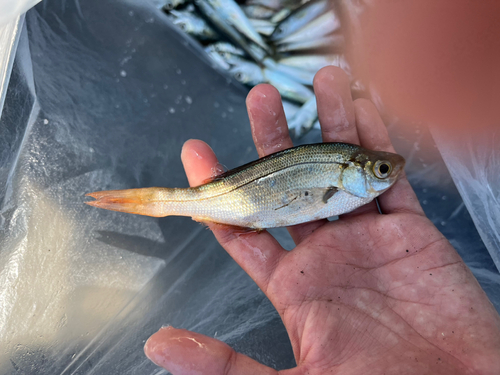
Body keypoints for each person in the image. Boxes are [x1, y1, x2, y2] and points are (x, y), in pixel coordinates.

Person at [144, 67, 500, 374]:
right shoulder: (344, 182)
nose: (388, 173)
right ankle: (164, 201)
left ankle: (166, 201)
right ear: (353, 172)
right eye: (381, 169)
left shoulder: (347, 189)